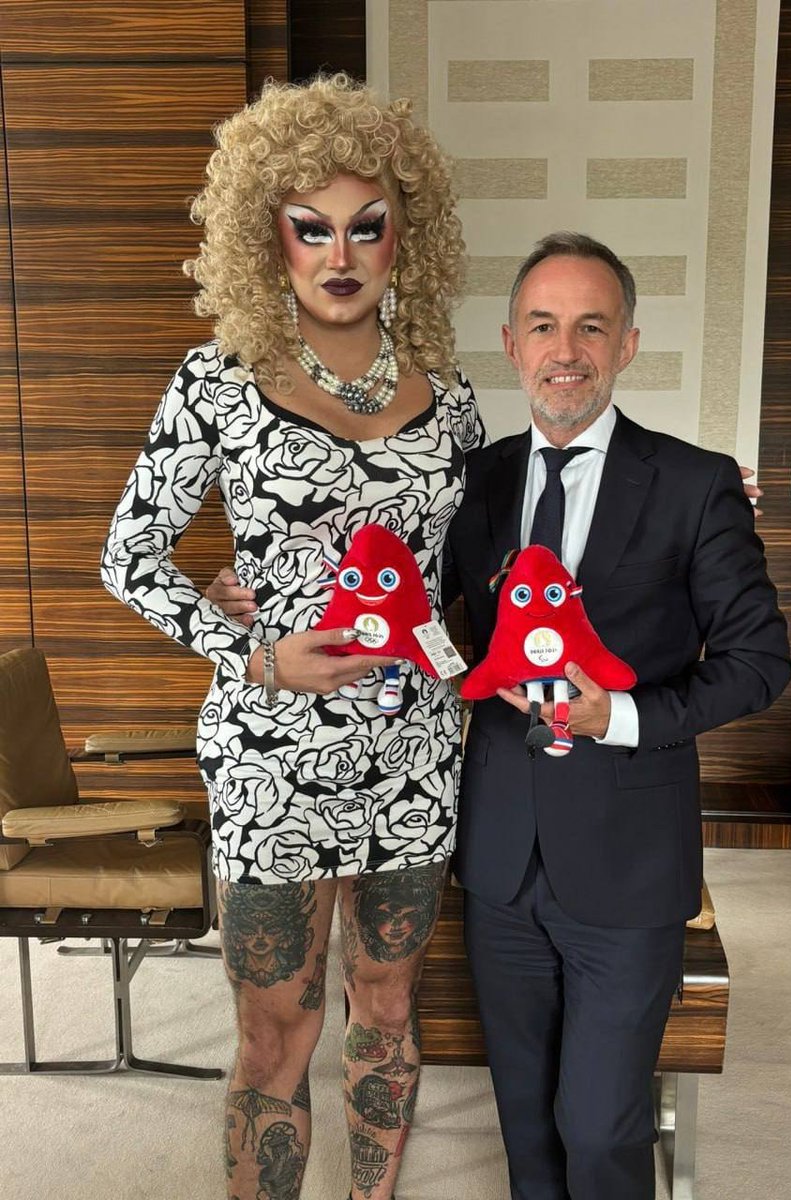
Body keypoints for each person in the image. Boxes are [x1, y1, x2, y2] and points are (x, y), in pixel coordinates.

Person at [101, 75, 484, 1200]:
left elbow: (481, 569)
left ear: (407, 234)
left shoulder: (452, 397)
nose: (341, 255)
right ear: (266, 236)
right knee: (276, 1030)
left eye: (369, 225)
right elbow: (128, 554)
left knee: (388, 1008)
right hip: (272, 751)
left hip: (416, 749)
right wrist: (254, 650)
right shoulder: (217, 382)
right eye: (311, 227)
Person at [444, 232, 791, 1200]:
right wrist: (259, 602)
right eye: (543, 326)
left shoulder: (694, 483)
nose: (566, 351)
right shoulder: (474, 484)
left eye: (591, 327)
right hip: (499, 859)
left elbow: (762, 663)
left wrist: (623, 716)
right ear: (511, 344)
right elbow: (416, 617)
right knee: (526, 1126)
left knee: (600, 1131)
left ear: (627, 343)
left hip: (630, 865)